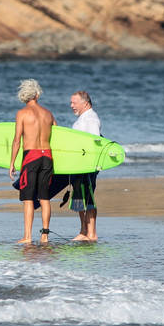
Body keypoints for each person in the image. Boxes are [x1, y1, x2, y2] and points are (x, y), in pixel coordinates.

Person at [9, 79, 56, 244]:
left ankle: (27, 237)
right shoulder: (48, 114)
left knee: (28, 198)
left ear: (24, 95)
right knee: (44, 198)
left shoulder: (22, 114)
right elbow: (59, 138)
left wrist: (12, 163)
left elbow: (17, 141)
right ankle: (45, 235)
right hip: (47, 156)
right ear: (37, 94)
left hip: (31, 157)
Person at [68, 90, 101, 241]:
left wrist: (89, 165)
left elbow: (94, 142)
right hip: (78, 165)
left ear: (85, 103)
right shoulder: (83, 118)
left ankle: (91, 233)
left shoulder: (91, 119)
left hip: (86, 166)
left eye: (74, 103)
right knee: (79, 197)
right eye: (71, 103)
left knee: (87, 197)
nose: (71, 106)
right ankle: (83, 230)